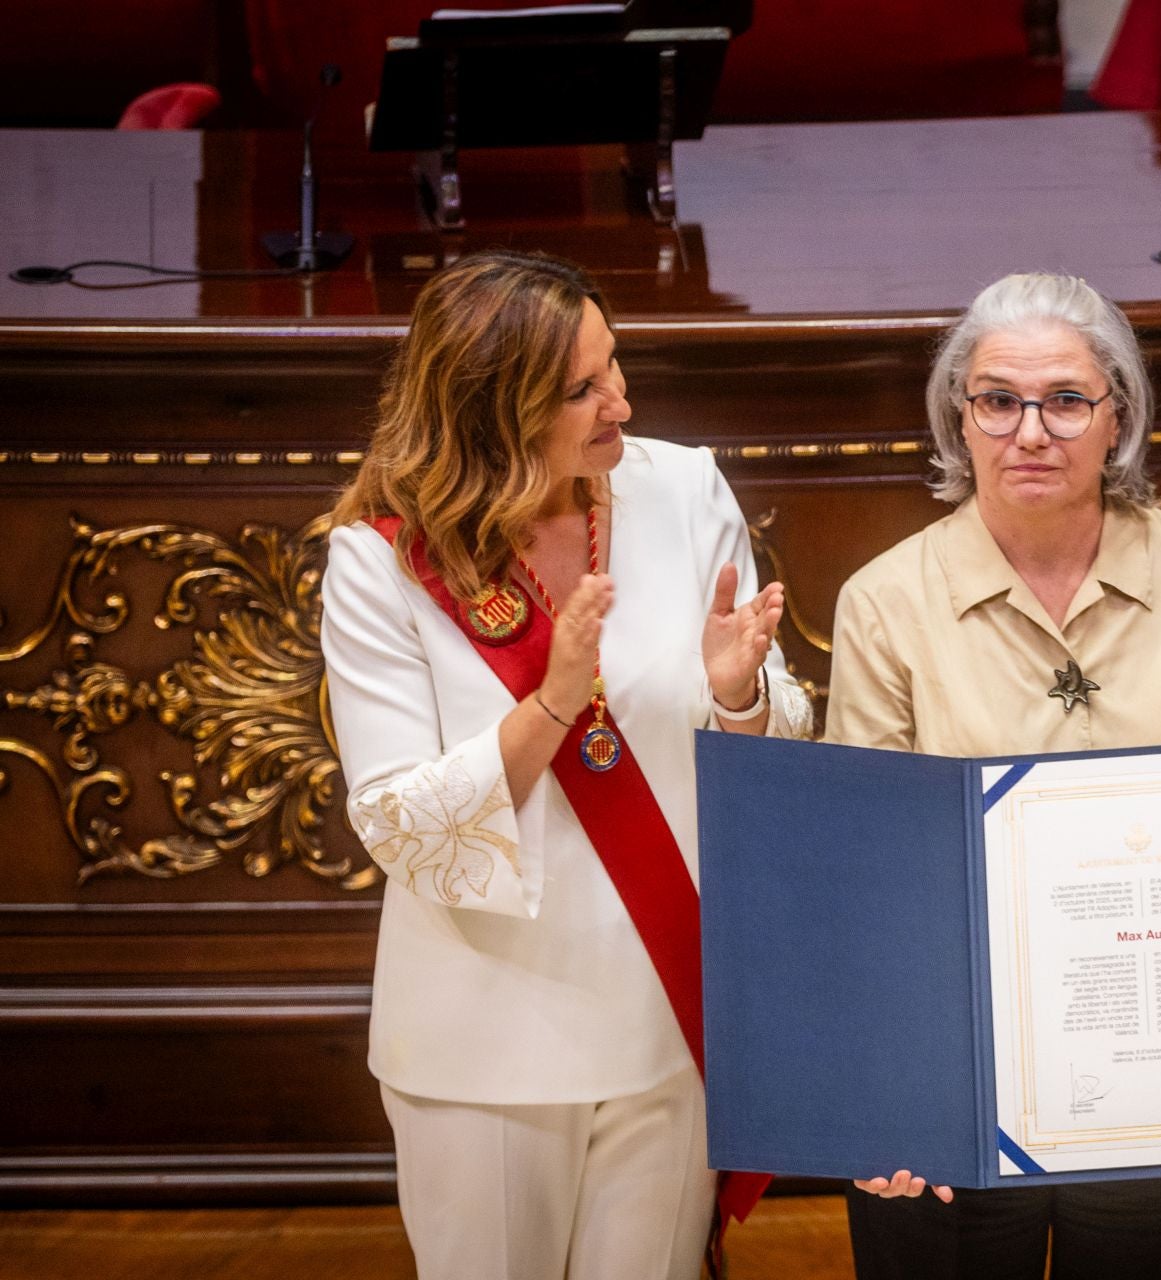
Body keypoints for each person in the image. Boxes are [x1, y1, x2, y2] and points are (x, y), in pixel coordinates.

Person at [321, 250, 811, 1280]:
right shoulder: (381, 557)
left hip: (663, 1019)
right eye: (582, 388)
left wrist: (738, 692)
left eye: (615, 366)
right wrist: (551, 699)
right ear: (491, 407)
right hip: (484, 1036)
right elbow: (401, 819)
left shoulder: (679, 488)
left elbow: (770, 747)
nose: (620, 401)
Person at [825, 271, 1161, 1280]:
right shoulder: (884, 599)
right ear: (960, 419)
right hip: (957, 1059)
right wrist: (879, 1093)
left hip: (1154, 1049)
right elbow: (865, 867)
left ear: (1118, 418)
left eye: (1065, 400)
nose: (1030, 431)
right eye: (998, 400)